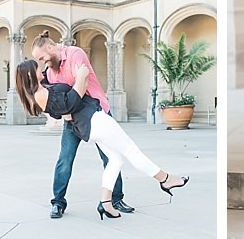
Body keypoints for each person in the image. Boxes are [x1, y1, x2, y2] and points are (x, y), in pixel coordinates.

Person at [16, 59, 189, 219]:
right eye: (37, 68)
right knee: (131, 150)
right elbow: (71, 103)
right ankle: (165, 180)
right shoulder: (40, 94)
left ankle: (106, 202)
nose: (41, 68)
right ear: (31, 74)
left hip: (90, 125)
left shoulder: (40, 89)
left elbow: (65, 111)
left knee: (115, 160)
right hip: (95, 120)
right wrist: (81, 76)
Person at [31, 31, 133, 219]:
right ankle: (58, 202)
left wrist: (67, 110)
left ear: (51, 48)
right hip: (72, 120)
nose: (43, 63)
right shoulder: (51, 72)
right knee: (65, 159)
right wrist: (64, 112)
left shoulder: (75, 54)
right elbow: (56, 99)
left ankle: (116, 199)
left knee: (110, 157)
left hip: (97, 114)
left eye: (42, 57)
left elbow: (82, 82)